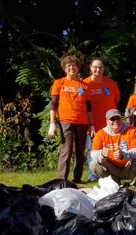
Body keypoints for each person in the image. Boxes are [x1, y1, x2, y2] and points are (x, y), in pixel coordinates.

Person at [47, 55, 93, 183]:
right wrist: (52, 123)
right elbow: (54, 104)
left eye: (74, 65)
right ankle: (61, 180)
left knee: (80, 152)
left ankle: (77, 179)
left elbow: (89, 107)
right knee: (66, 150)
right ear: (64, 68)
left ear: (78, 68)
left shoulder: (84, 85)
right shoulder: (59, 83)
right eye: (69, 66)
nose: (72, 68)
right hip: (65, 121)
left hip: (82, 122)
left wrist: (92, 124)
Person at [84, 58, 121, 182]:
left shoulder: (110, 83)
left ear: (104, 69)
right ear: (90, 68)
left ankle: (111, 175)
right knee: (92, 149)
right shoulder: (85, 84)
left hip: (110, 125)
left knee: (111, 148)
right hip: (93, 124)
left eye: (100, 67)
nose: (97, 69)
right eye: (95, 67)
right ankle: (93, 176)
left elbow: (116, 100)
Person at [90, 109, 136, 185]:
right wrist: (101, 154)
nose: (115, 121)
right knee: (93, 164)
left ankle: (135, 184)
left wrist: (123, 154)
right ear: (107, 121)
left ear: (121, 119)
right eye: (112, 119)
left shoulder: (132, 131)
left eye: (118, 118)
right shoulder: (100, 134)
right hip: (111, 168)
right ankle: (113, 182)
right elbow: (93, 154)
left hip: (128, 166)